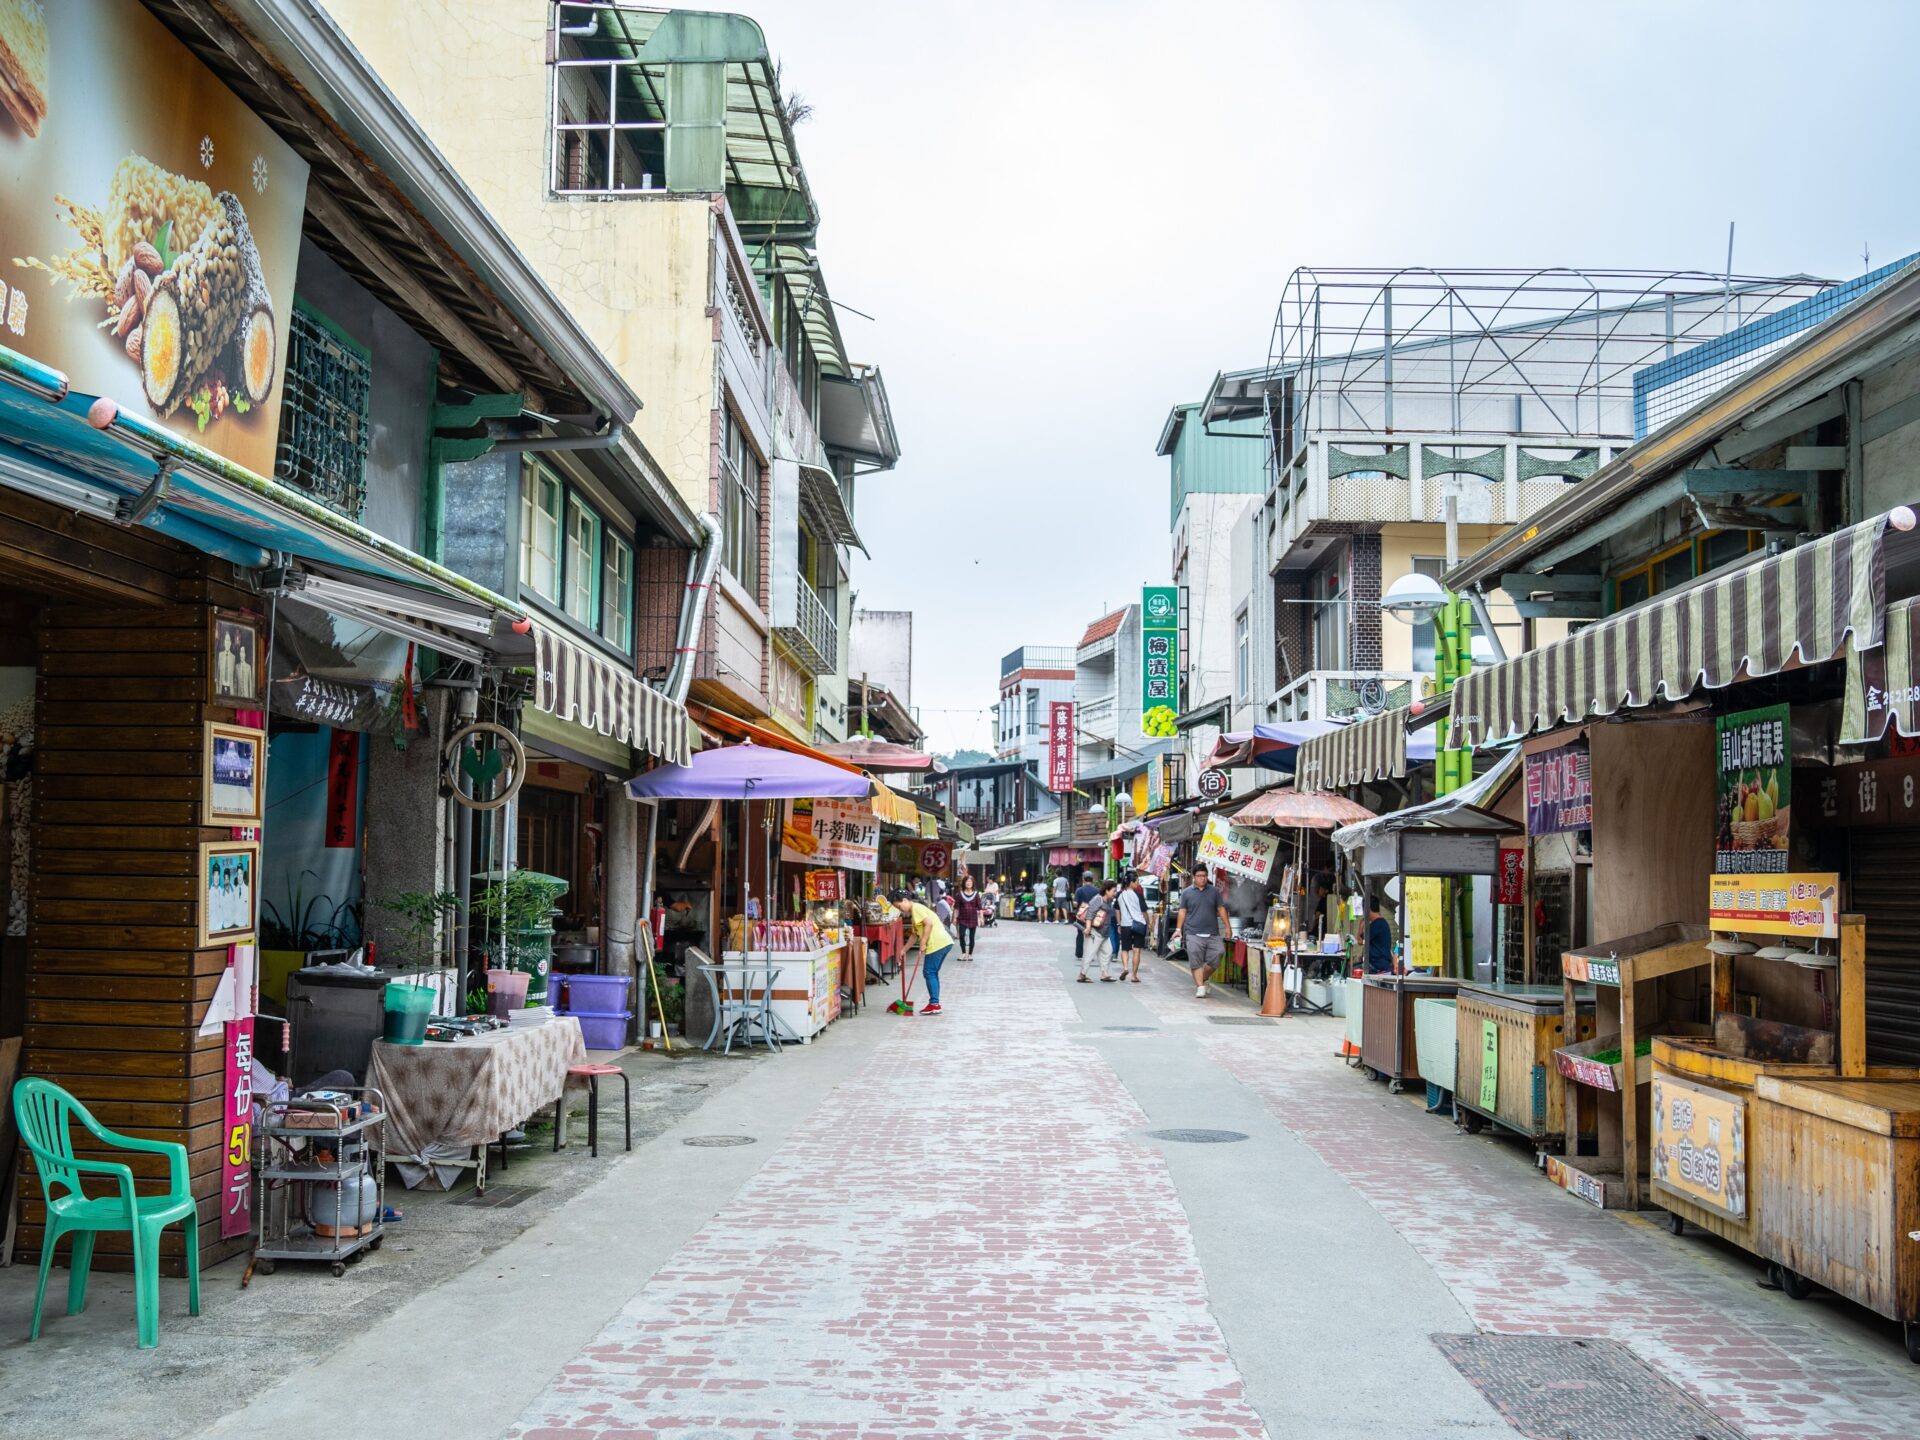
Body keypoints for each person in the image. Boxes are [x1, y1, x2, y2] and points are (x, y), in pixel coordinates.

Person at [890, 887, 955, 1016]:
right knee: (932, 972)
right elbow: (914, 936)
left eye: (899, 906)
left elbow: (928, 924)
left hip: (936, 943)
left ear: (904, 900)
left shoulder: (916, 908)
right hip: (943, 942)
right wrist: (903, 950)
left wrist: (923, 943)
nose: (900, 910)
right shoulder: (915, 913)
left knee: (929, 972)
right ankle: (934, 1003)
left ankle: (934, 1004)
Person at [1173, 864, 1230, 999]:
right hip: (1192, 932)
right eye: (1199, 876)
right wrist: (1178, 929)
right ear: (1194, 877)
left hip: (1212, 933)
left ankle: (1203, 979)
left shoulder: (1214, 891)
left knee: (1218, 954)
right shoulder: (1187, 892)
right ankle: (1200, 987)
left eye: (1204, 876)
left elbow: (1221, 909)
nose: (1202, 879)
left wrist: (1228, 927)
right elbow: (1182, 911)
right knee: (1195, 960)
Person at [1077, 880, 1118, 983]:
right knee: (1090, 953)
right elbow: (1090, 914)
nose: (1115, 893)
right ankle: (1082, 975)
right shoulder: (1098, 899)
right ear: (1107, 891)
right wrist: (1088, 928)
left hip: (1105, 932)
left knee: (1108, 952)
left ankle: (1104, 974)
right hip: (1095, 932)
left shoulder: (1108, 901)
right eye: (1114, 891)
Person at [1116, 874, 1149, 982]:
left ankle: (1125, 968)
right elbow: (1144, 912)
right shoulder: (1138, 895)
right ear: (1131, 882)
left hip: (1125, 925)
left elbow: (1117, 910)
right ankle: (1134, 975)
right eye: (1137, 881)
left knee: (1125, 949)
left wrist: (1119, 924)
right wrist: (1148, 924)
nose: (1138, 883)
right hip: (1138, 924)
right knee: (1136, 950)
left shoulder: (1120, 895)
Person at [951, 877, 983, 959]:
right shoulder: (959, 895)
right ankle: (963, 953)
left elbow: (980, 908)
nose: (968, 883)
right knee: (961, 935)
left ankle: (970, 954)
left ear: (973, 883)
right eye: (967, 881)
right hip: (962, 918)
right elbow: (956, 908)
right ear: (964, 883)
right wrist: (955, 918)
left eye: (970, 881)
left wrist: (981, 918)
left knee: (972, 937)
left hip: (973, 918)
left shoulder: (976, 894)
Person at [1071, 871, 1099, 966]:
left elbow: (1075, 903)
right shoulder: (1097, 890)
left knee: (1080, 933)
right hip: (1093, 915)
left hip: (1081, 915)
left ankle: (1079, 954)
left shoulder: (1079, 890)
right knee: (1092, 934)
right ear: (1092, 879)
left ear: (1083, 879)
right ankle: (1090, 954)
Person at [1366, 897, 1397, 975]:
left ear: (1367, 909)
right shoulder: (1382, 923)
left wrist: (1361, 925)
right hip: (1383, 965)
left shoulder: (1376, 925)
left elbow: (1360, 940)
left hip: (1379, 967)